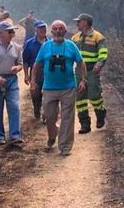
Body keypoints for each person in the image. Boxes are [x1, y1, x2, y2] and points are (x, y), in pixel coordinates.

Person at [31, 20, 87, 156]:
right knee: (49, 116)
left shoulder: (71, 46)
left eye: (61, 29)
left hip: (68, 87)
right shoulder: (45, 47)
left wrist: (83, 80)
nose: (58, 31)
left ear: (65, 31)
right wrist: (33, 81)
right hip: (49, 88)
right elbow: (37, 65)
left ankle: (65, 146)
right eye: (55, 29)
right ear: (51, 32)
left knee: (67, 117)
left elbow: (80, 63)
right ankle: (52, 134)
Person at [71, 13, 108, 134]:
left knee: (94, 95)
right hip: (78, 71)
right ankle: (85, 124)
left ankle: (100, 111)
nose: (77, 24)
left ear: (85, 22)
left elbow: (103, 52)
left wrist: (99, 64)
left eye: (79, 21)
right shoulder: (75, 38)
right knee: (80, 99)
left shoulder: (98, 36)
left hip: (92, 70)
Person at [23, 20, 50, 120]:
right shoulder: (29, 44)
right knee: (36, 94)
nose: (43, 30)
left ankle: (46, 114)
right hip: (35, 72)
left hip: (49, 71)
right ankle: (37, 109)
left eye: (44, 28)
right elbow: (25, 61)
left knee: (48, 94)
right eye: (40, 28)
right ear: (36, 30)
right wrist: (26, 75)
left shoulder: (51, 42)